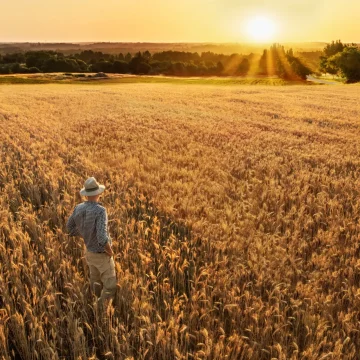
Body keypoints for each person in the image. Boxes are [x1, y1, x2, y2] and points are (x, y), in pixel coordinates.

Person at [66, 177, 117, 305]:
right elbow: (101, 236)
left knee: (95, 283)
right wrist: (110, 251)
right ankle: (100, 308)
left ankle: (94, 304)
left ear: (87, 194)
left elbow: (69, 228)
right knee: (110, 287)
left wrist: (85, 234)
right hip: (101, 254)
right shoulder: (100, 211)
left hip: (89, 253)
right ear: (98, 193)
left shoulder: (78, 208)